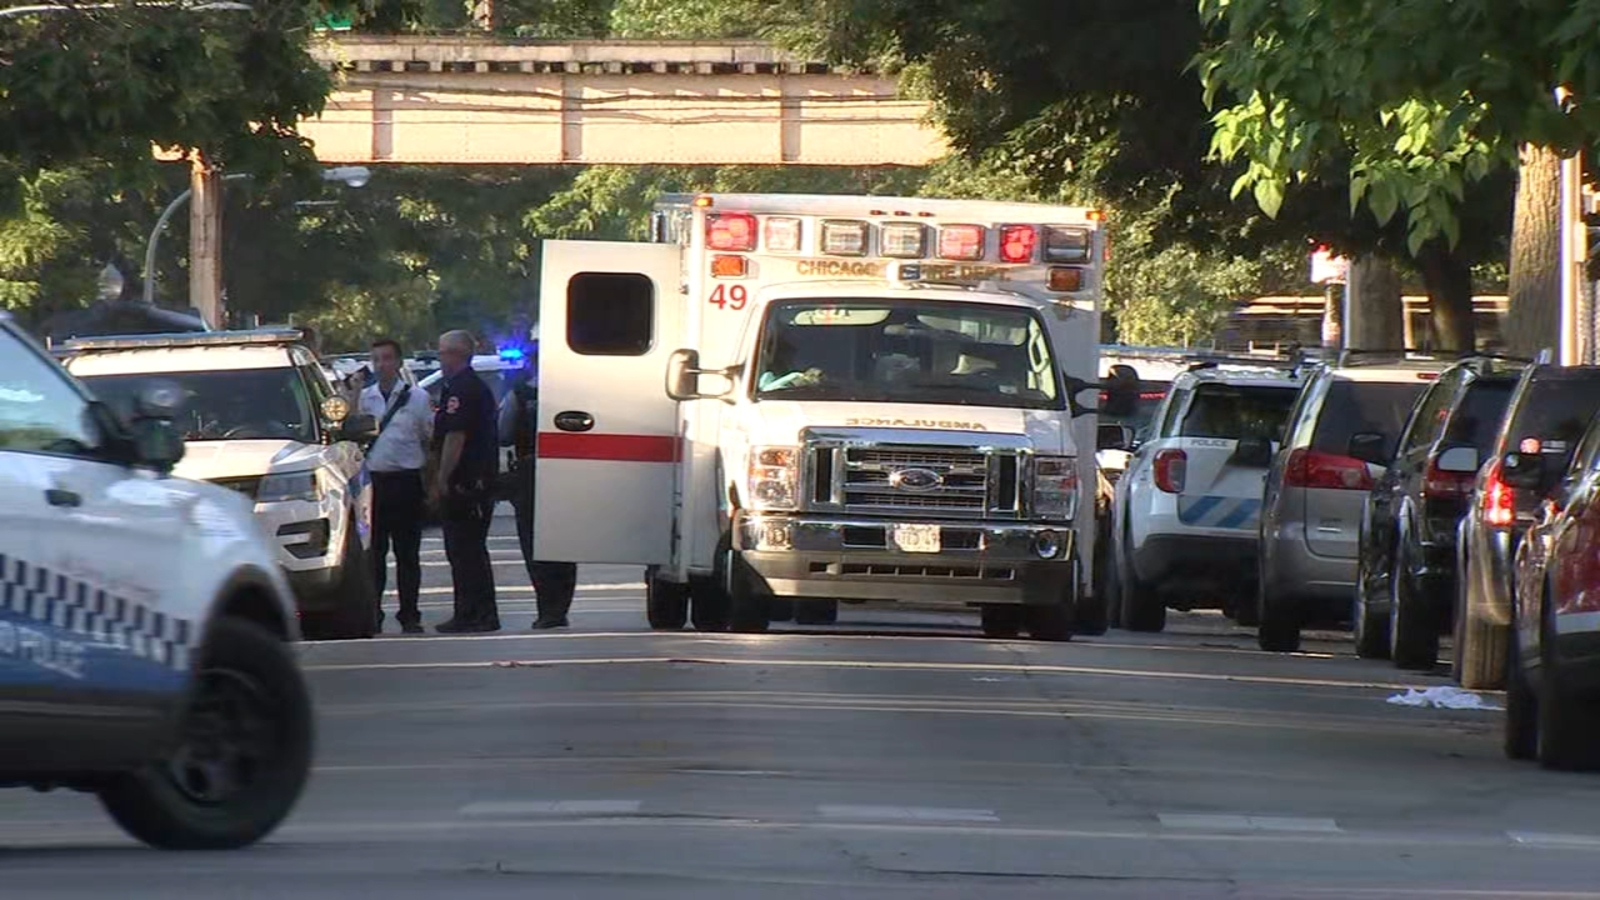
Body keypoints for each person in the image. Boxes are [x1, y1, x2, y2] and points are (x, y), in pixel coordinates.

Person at [497, 356, 578, 629]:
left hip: (530, 470)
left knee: (533, 543)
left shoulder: (519, 394)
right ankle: (559, 608)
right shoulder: (574, 393)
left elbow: (504, 433)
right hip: (567, 470)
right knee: (565, 542)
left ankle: (547, 608)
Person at [360, 338, 434, 634]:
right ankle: (372, 612)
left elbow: (427, 439)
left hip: (405, 482)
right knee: (373, 555)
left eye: (387, 358)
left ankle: (410, 614)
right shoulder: (365, 398)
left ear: (399, 363)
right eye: (376, 359)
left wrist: (431, 483)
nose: (381, 365)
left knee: (407, 554)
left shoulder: (417, 397)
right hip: (373, 483)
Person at [430, 329, 502, 634]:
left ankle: (477, 614)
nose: (440, 357)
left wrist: (442, 477)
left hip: (467, 483)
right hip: (472, 482)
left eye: (443, 352)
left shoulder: (463, 388)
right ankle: (471, 611)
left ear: (457, 354)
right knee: (463, 550)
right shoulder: (460, 386)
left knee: (466, 550)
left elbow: (455, 437)